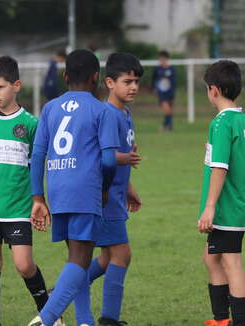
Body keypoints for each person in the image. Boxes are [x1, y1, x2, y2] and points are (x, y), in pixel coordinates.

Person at [0, 56, 63, 326]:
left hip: (18, 208)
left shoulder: (31, 124)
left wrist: (38, 201)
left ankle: (51, 315)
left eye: (1, 87)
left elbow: (38, 167)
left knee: (23, 265)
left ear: (16, 86)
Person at [28, 49, 120, 326]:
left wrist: (38, 197)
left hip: (57, 188)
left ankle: (84, 320)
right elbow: (108, 160)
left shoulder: (50, 108)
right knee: (80, 260)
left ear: (65, 76)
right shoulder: (102, 110)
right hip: (84, 189)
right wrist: (104, 189)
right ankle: (45, 319)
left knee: (76, 258)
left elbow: (37, 155)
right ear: (97, 78)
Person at [74, 52, 143, 326]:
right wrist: (124, 159)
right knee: (121, 254)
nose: (134, 87)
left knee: (106, 256)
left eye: (137, 81)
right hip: (102, 195)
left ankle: (65, 289)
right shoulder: (106, 115)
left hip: (115, 193)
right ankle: (109, 319)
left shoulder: (125, 114)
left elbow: (120, 156)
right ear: (110, 82)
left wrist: (128, 187)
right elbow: (97, 157)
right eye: (128, 81)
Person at [198, 60, 245, 326]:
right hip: (238, 204)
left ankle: (238, 323)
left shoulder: (222, 123)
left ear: (214, 90)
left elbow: (220, 167)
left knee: (232, 263)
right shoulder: (243, 120)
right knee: (211, 258)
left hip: (226, 207)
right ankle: (221, 320)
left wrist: (209, 207)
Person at [152, 50, 176, 131]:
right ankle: (165, 125)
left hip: (170, 92)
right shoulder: (157, 69)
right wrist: (154, 89)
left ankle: (169, 126)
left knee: (169, 110)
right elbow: (154, 79)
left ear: (167, 59)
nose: (161, 60)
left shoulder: (172, 69)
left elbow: (174, 82)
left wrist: (173, 92)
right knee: (166, 109)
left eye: (163, 59)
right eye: (160, 59)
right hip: (161, 93)